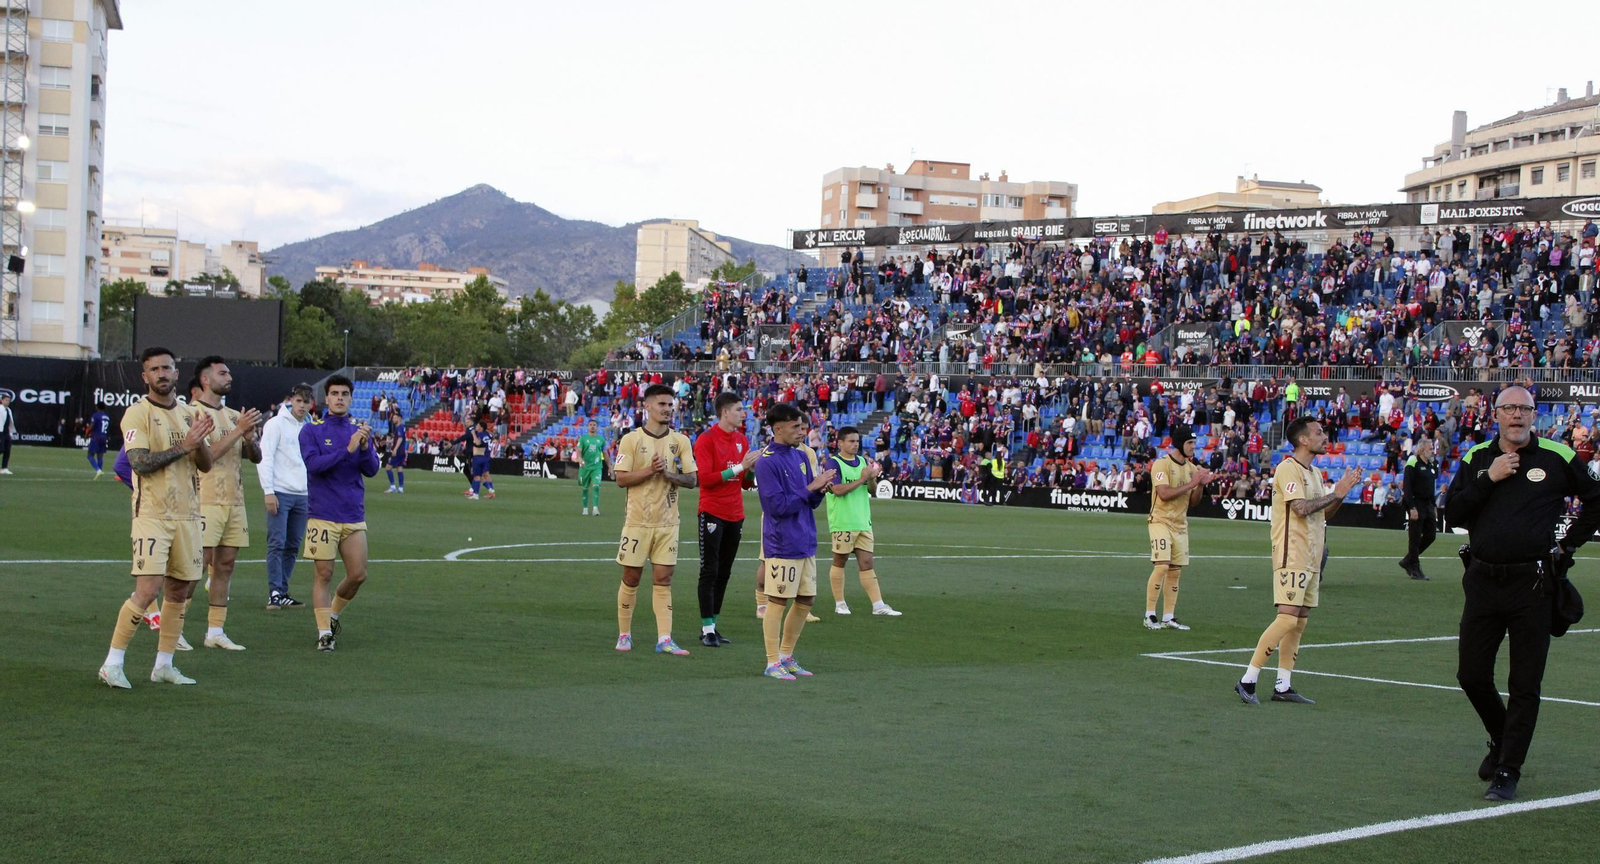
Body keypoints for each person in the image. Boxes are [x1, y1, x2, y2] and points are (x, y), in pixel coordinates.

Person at [1444, 385, 1600, 802]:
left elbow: (1596, 501)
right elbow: (1453, 511)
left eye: (1524, 408)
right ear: (1494, 414)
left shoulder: (1558, 456)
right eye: (1508, 408)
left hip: (1533, 584)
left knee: (1524, 683)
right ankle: (1501, 739)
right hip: (1481, 581)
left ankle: (1508, 770)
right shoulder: (1477, 457)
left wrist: (1568, 546)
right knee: (1471, 675)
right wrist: (1488, 478)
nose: (1517, 415)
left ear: (1535, 415)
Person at [97, 347, 216, 689]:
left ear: (177, 373)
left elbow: (205, 465)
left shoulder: (190, 414)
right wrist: (185, 445)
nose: (162, 374)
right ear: (145, 377)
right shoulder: (137, 413)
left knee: (179, 591)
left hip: (189, 516)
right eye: (155, 369)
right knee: (148, 589)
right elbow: (139, 463)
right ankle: (113, 663)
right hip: (152, 514)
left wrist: (199, 443)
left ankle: (164, 664)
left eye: (167, 368)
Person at [1234, 417, 1359, 707]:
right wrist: (1335, 493)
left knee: (1299, 622)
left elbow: (1324, 514)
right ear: (1303, 440)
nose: (1324, 436)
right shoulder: (1287, 469)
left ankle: (1283, 684)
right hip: (1293, 552)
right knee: (1288, 617)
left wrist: (1339, 495)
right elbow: (1300, 508)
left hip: (1313, 555)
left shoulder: (1314, 473)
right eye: (1319, 433)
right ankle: (1248, 679)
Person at [611, 383, 698, 656]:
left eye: (670, 405)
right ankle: (624, 634)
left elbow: (692, 480)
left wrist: (670, 475)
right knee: (631, 577)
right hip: (637, 521)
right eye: (662, 404)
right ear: (647, 406)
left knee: (664, 578)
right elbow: (621, 478)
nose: (668, 409)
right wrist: (650, 470)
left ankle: (665, 639)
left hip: (668, 522)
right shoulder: (631, 439)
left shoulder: (680, 441)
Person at [754, 403, 836, 679]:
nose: (801, 431)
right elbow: (776, 506)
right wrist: (811, 486)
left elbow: (808, 501)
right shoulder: (766, 462)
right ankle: (771, 661)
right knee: (777, 601)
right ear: (777, 429)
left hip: (805, 538)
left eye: (802, 426)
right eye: (795, 427)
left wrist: (820, 490)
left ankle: (787, 656)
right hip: (782, 542)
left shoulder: (800, 457)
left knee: (806, 599)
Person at [299, 375, 380, 651]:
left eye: (345, 394)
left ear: (351, 398)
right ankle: (324, 634)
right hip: (322, 513)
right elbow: (314, 465)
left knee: (358, 575)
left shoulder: (359, 430)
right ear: (326, 398)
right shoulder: (312, 431)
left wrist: (366, 448)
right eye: (335, 393)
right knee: (324, 574)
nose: (340, 398)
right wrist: (348, 450)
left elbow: (371, 470)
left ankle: (332, 615)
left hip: (353, 514)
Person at [190, 356, 263, 651]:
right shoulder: (192, 413)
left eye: (229, 372)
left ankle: (215, 631)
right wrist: (237, 431)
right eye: (223, 373)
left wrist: (249, 439)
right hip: (205, 500)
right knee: (196, 567)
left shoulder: (235, 415)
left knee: (226, 565)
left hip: (235, 501)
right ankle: (175, 626)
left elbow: (255, 457)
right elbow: (208, 457)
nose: (229, 377)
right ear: (206, 379)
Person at [693, 393, 757, 647]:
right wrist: (741, 467)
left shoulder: (742, 440)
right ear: (725, 412)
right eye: (740, 409)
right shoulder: (706, 439)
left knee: (725, 571)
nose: (744, 413)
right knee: (710, 569)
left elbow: (746, 484)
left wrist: (751, 468)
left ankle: (713, 626)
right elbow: (706, 479)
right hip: (712, 511)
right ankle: (707, 628)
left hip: (735, 514)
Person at [825, 426, 901, 617]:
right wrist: (862, 479)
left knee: (867, 563)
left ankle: (878, 605)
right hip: (843, 521)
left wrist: (871, 480)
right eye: (851, 441)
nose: (855, 444)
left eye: (857, 441)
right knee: (840, 560)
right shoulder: (833, 464)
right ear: (840, 443)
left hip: (863, 521)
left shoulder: (862, 461)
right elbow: (838, 490)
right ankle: (840, 603)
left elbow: (872, 491)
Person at [1143, 426, 1213, 631]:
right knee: (1162, 565)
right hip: (1160, 521)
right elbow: (1163, 494)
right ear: (1180, 443)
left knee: (1175, 571)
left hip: (1180, 525)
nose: (1194, 447)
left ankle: (1168, 617)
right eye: (1190, 443)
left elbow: (1194, 502)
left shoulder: (1192, 468)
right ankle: (1149, 615)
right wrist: (1193, 483)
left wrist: (1200, 485)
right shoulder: (1161, 465)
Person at [258, 384, 312, 609]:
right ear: (292, 400)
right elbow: (265, 457)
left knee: (292, 545)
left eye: (306, 402)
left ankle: (283, 589)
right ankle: (274, 592)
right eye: (298, 401)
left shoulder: (311, 426)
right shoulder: (275, 424)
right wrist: (268, 491)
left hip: (304, 494)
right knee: (277, 544)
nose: (302, 406)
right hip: (280, 492)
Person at [1398, 437, 1438, 581]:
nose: (1432, 451)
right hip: (1417, 503)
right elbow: (1408, 487)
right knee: (1414, 538)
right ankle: (1414, 567)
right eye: (1430, 449)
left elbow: (1431, 486)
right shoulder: (1412, 463)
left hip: (1428, 504)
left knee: (1431, 535)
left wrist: (1433, 505)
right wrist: (1411, 507)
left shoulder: (1432, 465)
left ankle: (1408, 560)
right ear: (1421, 450)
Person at [458, 415, 494, 500]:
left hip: (479, 457)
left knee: (479, 475)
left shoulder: (480, 435)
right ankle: (477, 491)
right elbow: (492, 436)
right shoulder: (487, 434)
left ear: (481, 427)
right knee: (479, 475)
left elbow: (477, 443)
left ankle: (486, 491)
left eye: (478, 425)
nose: (476, 426)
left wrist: (474, 434)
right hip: (485, 456)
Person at [577, 419, 608, 516]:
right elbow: (578, 451)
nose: (592, 426)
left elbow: (605, 453)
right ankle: (585, 508)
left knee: (596, 487)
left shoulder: (601, 440)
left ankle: (595, 508)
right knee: (585, 488)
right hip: (585, 467)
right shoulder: (583, 439)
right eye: (590, 425)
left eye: (594, 425)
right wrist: (580, 458)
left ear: (597, 427)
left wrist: (610, 466)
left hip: (597, 467)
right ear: (588, 426)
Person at [384, 409, 408, 493]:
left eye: (394, 418)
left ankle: (393, 486)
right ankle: (401, 488)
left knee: (387, 468)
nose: (393, 419)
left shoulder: (399, 427)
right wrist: (387, 442)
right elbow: (397, 439)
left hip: (398, 451)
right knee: (399, 468)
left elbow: (400, 438)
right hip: (402, 451)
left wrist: (395, 449)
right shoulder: (402, 427)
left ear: (399, 418)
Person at [86, 402, 111, 478]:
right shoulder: (107, 417)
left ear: (97, 407)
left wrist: (87, 433)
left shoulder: (96, 415)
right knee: (100, 456)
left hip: (96, 437)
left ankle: (98, 470)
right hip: (104, 437)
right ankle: (99, 471)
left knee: (90, 455)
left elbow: (92, 426)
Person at [0, 391, 15, 474]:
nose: (7, 402)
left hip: (7, 433)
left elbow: (10, 422)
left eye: (8, 400)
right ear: (2, 400)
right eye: (6, 400)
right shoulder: (0, 409)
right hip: (0, 432)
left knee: (7, 450)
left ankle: (4, 468)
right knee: (1, 449)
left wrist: (11, 433)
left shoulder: (9, 410)